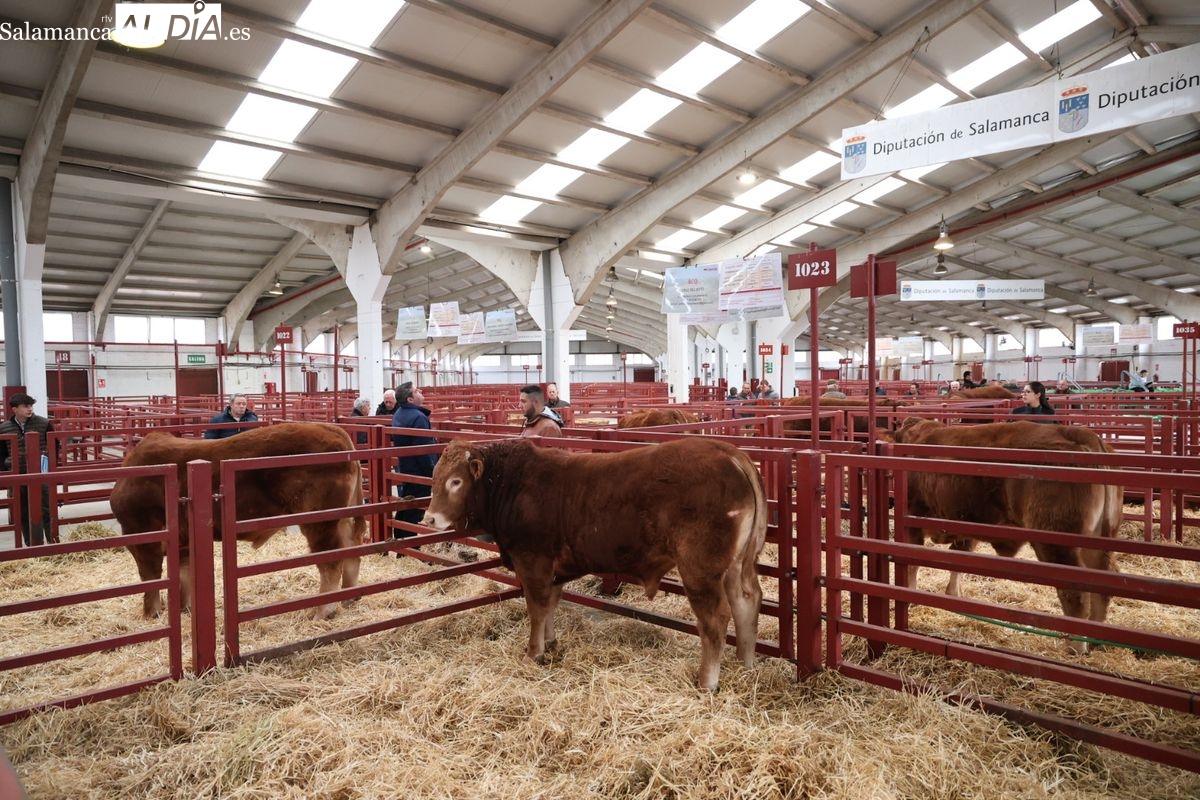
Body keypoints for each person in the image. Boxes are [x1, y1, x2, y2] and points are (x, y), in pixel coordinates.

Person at [0, 393, 55, 544]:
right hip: (17, 476)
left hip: (41, 474)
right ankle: (31, 544)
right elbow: (2, 453)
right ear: (14, 409)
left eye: (31, 405)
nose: (29, 409)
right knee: (22, 511)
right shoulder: (3, 428)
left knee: (46, 509)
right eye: (25, 406)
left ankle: (53, 542)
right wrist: (6, 474)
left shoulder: (44, 424)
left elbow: (54, 447)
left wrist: (50, 469)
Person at [391, 382, 437, 531]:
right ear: (410, 399)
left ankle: (400, 538)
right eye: (416, 391)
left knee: (407, 502)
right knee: (416, 507)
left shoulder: (399, 414)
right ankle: (409, 545)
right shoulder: (418, 418)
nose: (421, 391)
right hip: (418, 470)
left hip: (405, 466)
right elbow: (423, 450)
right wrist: (431, 471)